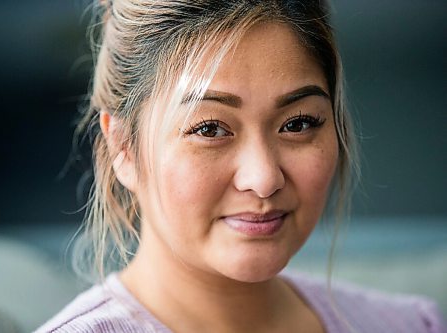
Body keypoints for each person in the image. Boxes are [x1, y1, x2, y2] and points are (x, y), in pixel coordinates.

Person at [36, 1, 446, 332]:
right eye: (210, 128)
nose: (264, 178)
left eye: (298, 123)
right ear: (123, 147)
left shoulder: (411, 324)